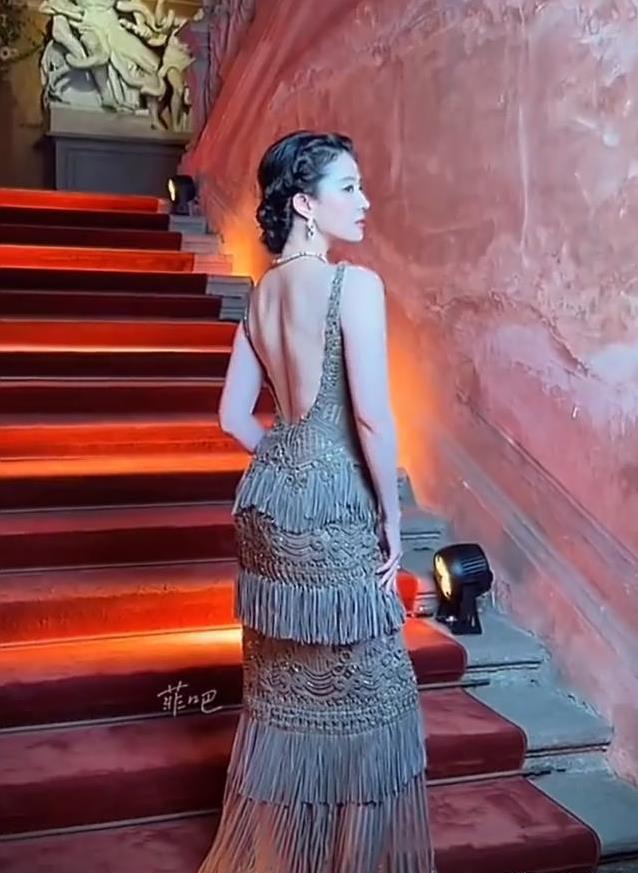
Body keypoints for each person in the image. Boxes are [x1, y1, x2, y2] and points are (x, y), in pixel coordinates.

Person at [196, 130, 436, 872]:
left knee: (283, 697)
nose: (366, 202)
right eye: (349, 188)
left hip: (268, 508)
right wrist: (391, 514)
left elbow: (233, 418)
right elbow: (372, 418)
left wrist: (285, 459)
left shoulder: (260, 296)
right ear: (304, 203)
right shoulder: (351, 286)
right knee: (375, 699)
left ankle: (283, 857)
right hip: (334, 512)